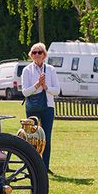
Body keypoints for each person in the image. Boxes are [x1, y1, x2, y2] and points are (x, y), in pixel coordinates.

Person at [21, 42, 61, 171]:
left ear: (44, 55)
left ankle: (45, 167)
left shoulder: (51, 69)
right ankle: (33, 167)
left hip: (48, 107)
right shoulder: (27, 70)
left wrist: (46, 87)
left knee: (46, 138)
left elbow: (57, 90)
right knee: (32, 138)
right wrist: (38, 84)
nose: (37, 54)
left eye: (40, 52)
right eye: (34, 52)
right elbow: (25, 92)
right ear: (31, 55)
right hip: (33, 108)